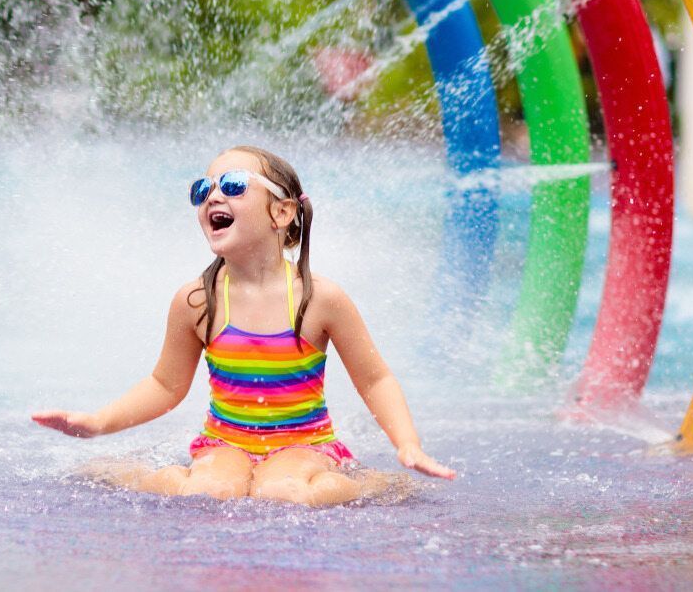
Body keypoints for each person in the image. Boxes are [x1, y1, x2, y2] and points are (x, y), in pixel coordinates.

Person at [32, 146, 455, 507]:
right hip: (225, 443)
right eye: (203, 189)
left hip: (302, 444)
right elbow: (165, 384)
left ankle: (371, 484)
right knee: (207, 491)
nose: (212, 196)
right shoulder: (197, 300)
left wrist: (407, 443)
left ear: (282, 212)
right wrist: (99, 423)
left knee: (282, 494)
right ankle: (131, 474)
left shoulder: (319, 298)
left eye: (233, 185)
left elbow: (375, 378)